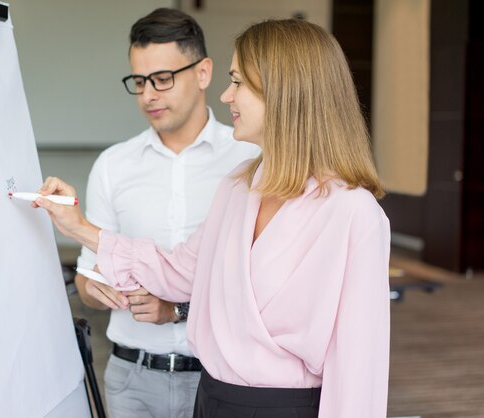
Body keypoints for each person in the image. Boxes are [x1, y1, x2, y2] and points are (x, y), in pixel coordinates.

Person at [36, 18, 390, 418]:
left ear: (284, 91)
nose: (226, 95)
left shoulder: (354, 214)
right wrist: (78, 226)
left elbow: (359, 369)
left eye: (238, 82)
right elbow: (179, 270)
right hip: (212, 400)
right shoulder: (237, 190)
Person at [72, 8, 259, 418]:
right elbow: (87, 277)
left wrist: (175, 309)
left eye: (162, 79)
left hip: (221, 377)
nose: (148, 96)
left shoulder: (250, 158)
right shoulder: (113, 164)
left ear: (204, 73)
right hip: (131, 377)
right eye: (139, 82)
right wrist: (97, 291)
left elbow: (257, 283)